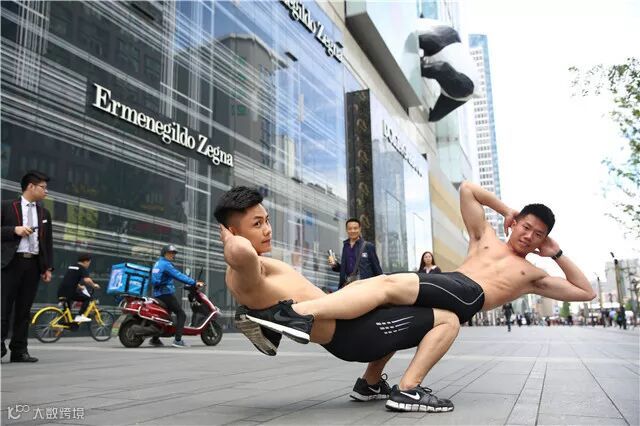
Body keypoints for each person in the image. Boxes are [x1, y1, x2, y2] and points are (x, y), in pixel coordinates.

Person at [234, 181, 595, 409]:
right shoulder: (484, 237)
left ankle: (293, 314)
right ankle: (373, 384)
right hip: (452, 284)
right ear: (515, 224)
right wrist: (507, 210)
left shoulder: (532, 275)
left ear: (543, 240)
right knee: (393, 302)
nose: (529, 236)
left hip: (470, 293)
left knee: (387, 285)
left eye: (538, 235)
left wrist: (557, 254)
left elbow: (586, 292)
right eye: (526, 226)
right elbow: (468, 190)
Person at [217, 187, 456, 412]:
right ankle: (408, 390)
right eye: (257, 224)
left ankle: (370, 384)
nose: (268, 229)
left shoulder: (251, 270)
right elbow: (240, 252)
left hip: (349, 326)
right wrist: (230, 239)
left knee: (397, 304)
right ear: (233, 231)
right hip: (353, 334)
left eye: (267, 220)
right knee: (448, 320)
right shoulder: (247, 271)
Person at [1, 170, 54, 362]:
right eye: (43, 187)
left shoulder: (44, 213)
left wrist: (47, 268)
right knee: (3, 307)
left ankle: (19, 350)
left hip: (33, 264)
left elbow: (47, 242)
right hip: (10, 263)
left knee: (24, 310)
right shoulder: (7, 206)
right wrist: (14, 230)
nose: (46, 191)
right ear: (31, 186)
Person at [149, 244, 203, 348]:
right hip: (166, 294)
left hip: (157, 294)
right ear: (164, 253)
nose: (172, 255)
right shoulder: (166, 265)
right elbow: (178, 275)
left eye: (173, 253)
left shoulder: (158, 263)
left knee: (165, 316)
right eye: (170, 253)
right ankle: (178, 340)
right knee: (181, 314)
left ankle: (155, 339)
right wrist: (194, 282)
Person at [328, 218, 383, 289]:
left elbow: (377, 269)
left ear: (360, 229)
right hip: (348, 286)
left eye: (355, 228)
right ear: (346, 230)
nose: (352, 231)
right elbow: (345, 269)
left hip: (364, 287)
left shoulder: (368, 246)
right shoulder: (345, 246)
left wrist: (381, 286)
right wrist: (335, 265)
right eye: (350, 229)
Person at [57, 254, 100, 322]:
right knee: (87, 298)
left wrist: (79, 286)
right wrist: (94, 285)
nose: (89, 265)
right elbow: (87, 280)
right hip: (70, 292)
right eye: (89, 263)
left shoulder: (72, 266)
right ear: (86, 261)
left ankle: (63, 324)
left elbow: (70, 279)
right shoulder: (82, 268)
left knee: (67, 313)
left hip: (61, 291)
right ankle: (80, 316)